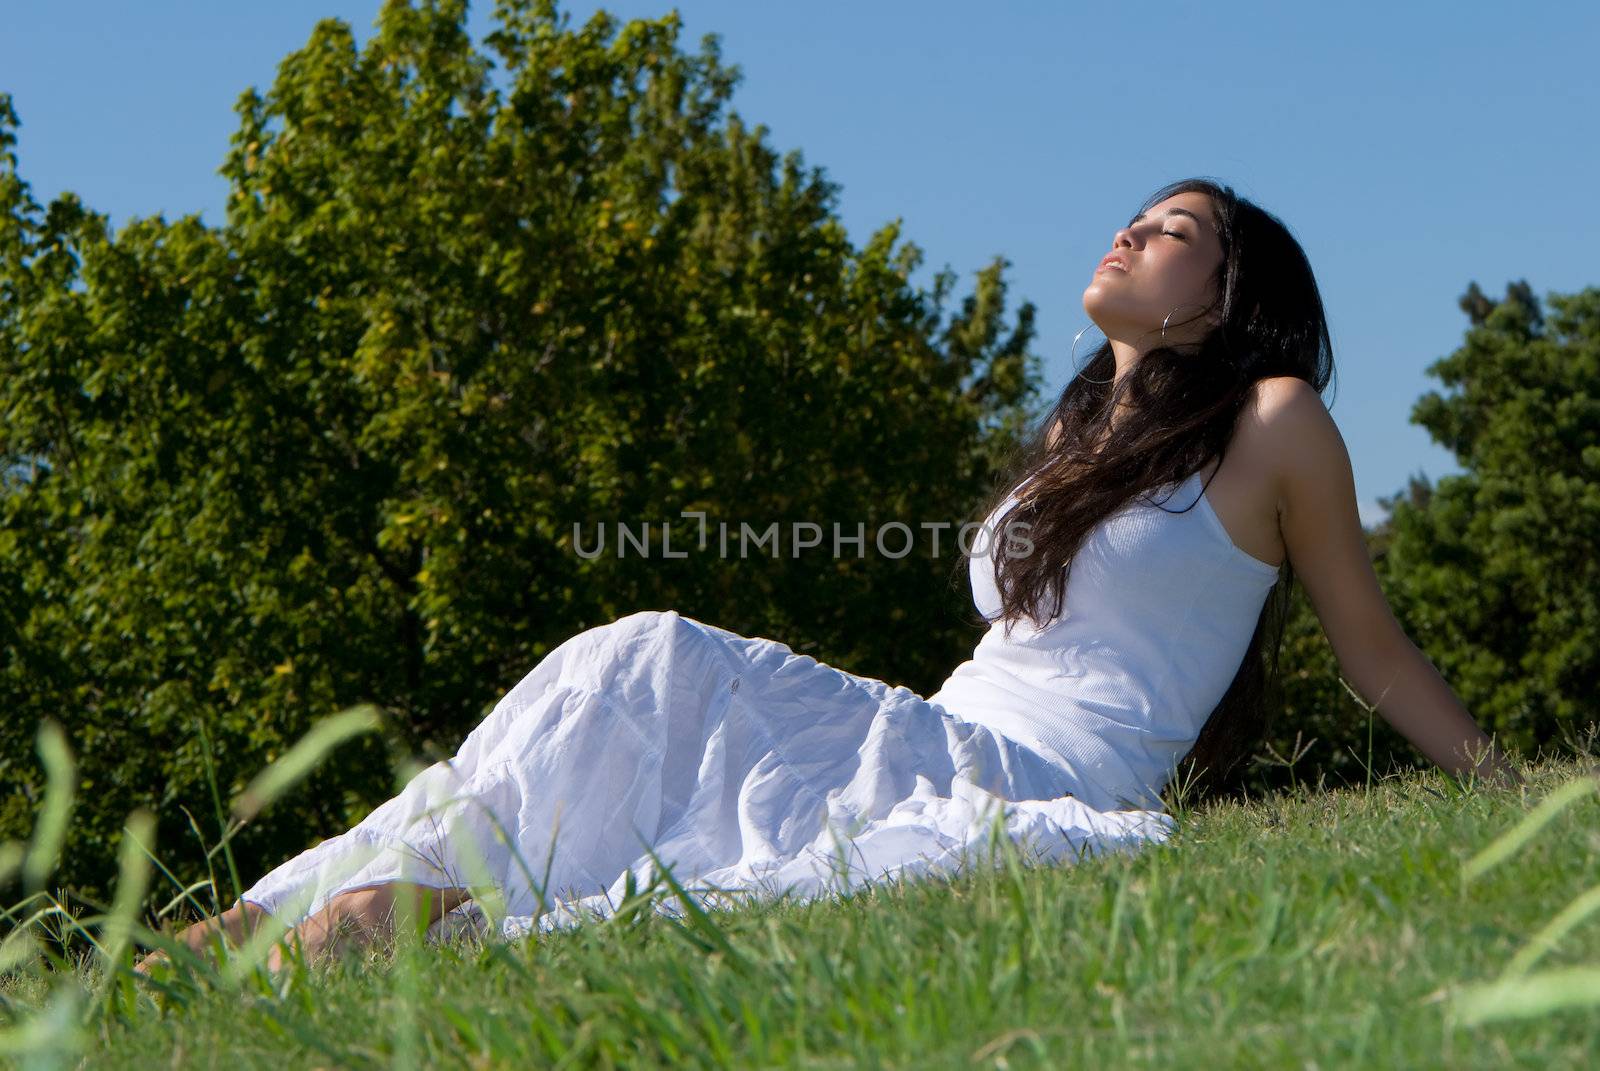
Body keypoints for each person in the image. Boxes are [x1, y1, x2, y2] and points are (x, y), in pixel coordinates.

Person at [134, 177, 1521, 977]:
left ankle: (441, 928)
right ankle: (262, 918)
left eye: (1171, 233)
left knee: (671, 689)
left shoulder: (1272, 420)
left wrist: (1519, 798)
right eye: (1136, 215)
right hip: (937, 729)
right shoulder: (1074, 429)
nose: (1130, 233)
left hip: (1045, 781)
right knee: (637, 666)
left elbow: (1372, 649)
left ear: (1225, 297)